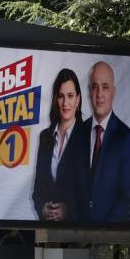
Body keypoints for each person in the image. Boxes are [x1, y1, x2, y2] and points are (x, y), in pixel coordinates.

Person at [76, 61, 130, 224]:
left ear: (113, 92)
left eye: (105, 87)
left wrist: (102, 232)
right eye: (95, 87)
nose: (99, 94)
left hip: (111, 239)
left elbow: (128, 196)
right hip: (75, 236)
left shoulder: (127, 138)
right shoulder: (76, 134)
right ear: (89, 91)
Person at [32, 69, 85, 222]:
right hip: (47, 229)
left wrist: (68, 210)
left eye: (70, 96)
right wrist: (42, 208)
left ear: (78, 99)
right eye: (61, 96)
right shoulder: (45, 137)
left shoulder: (88, 136)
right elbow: (37, 190)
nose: (65, 103)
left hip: (79, 229)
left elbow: (94, 191)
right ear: (56, 99)